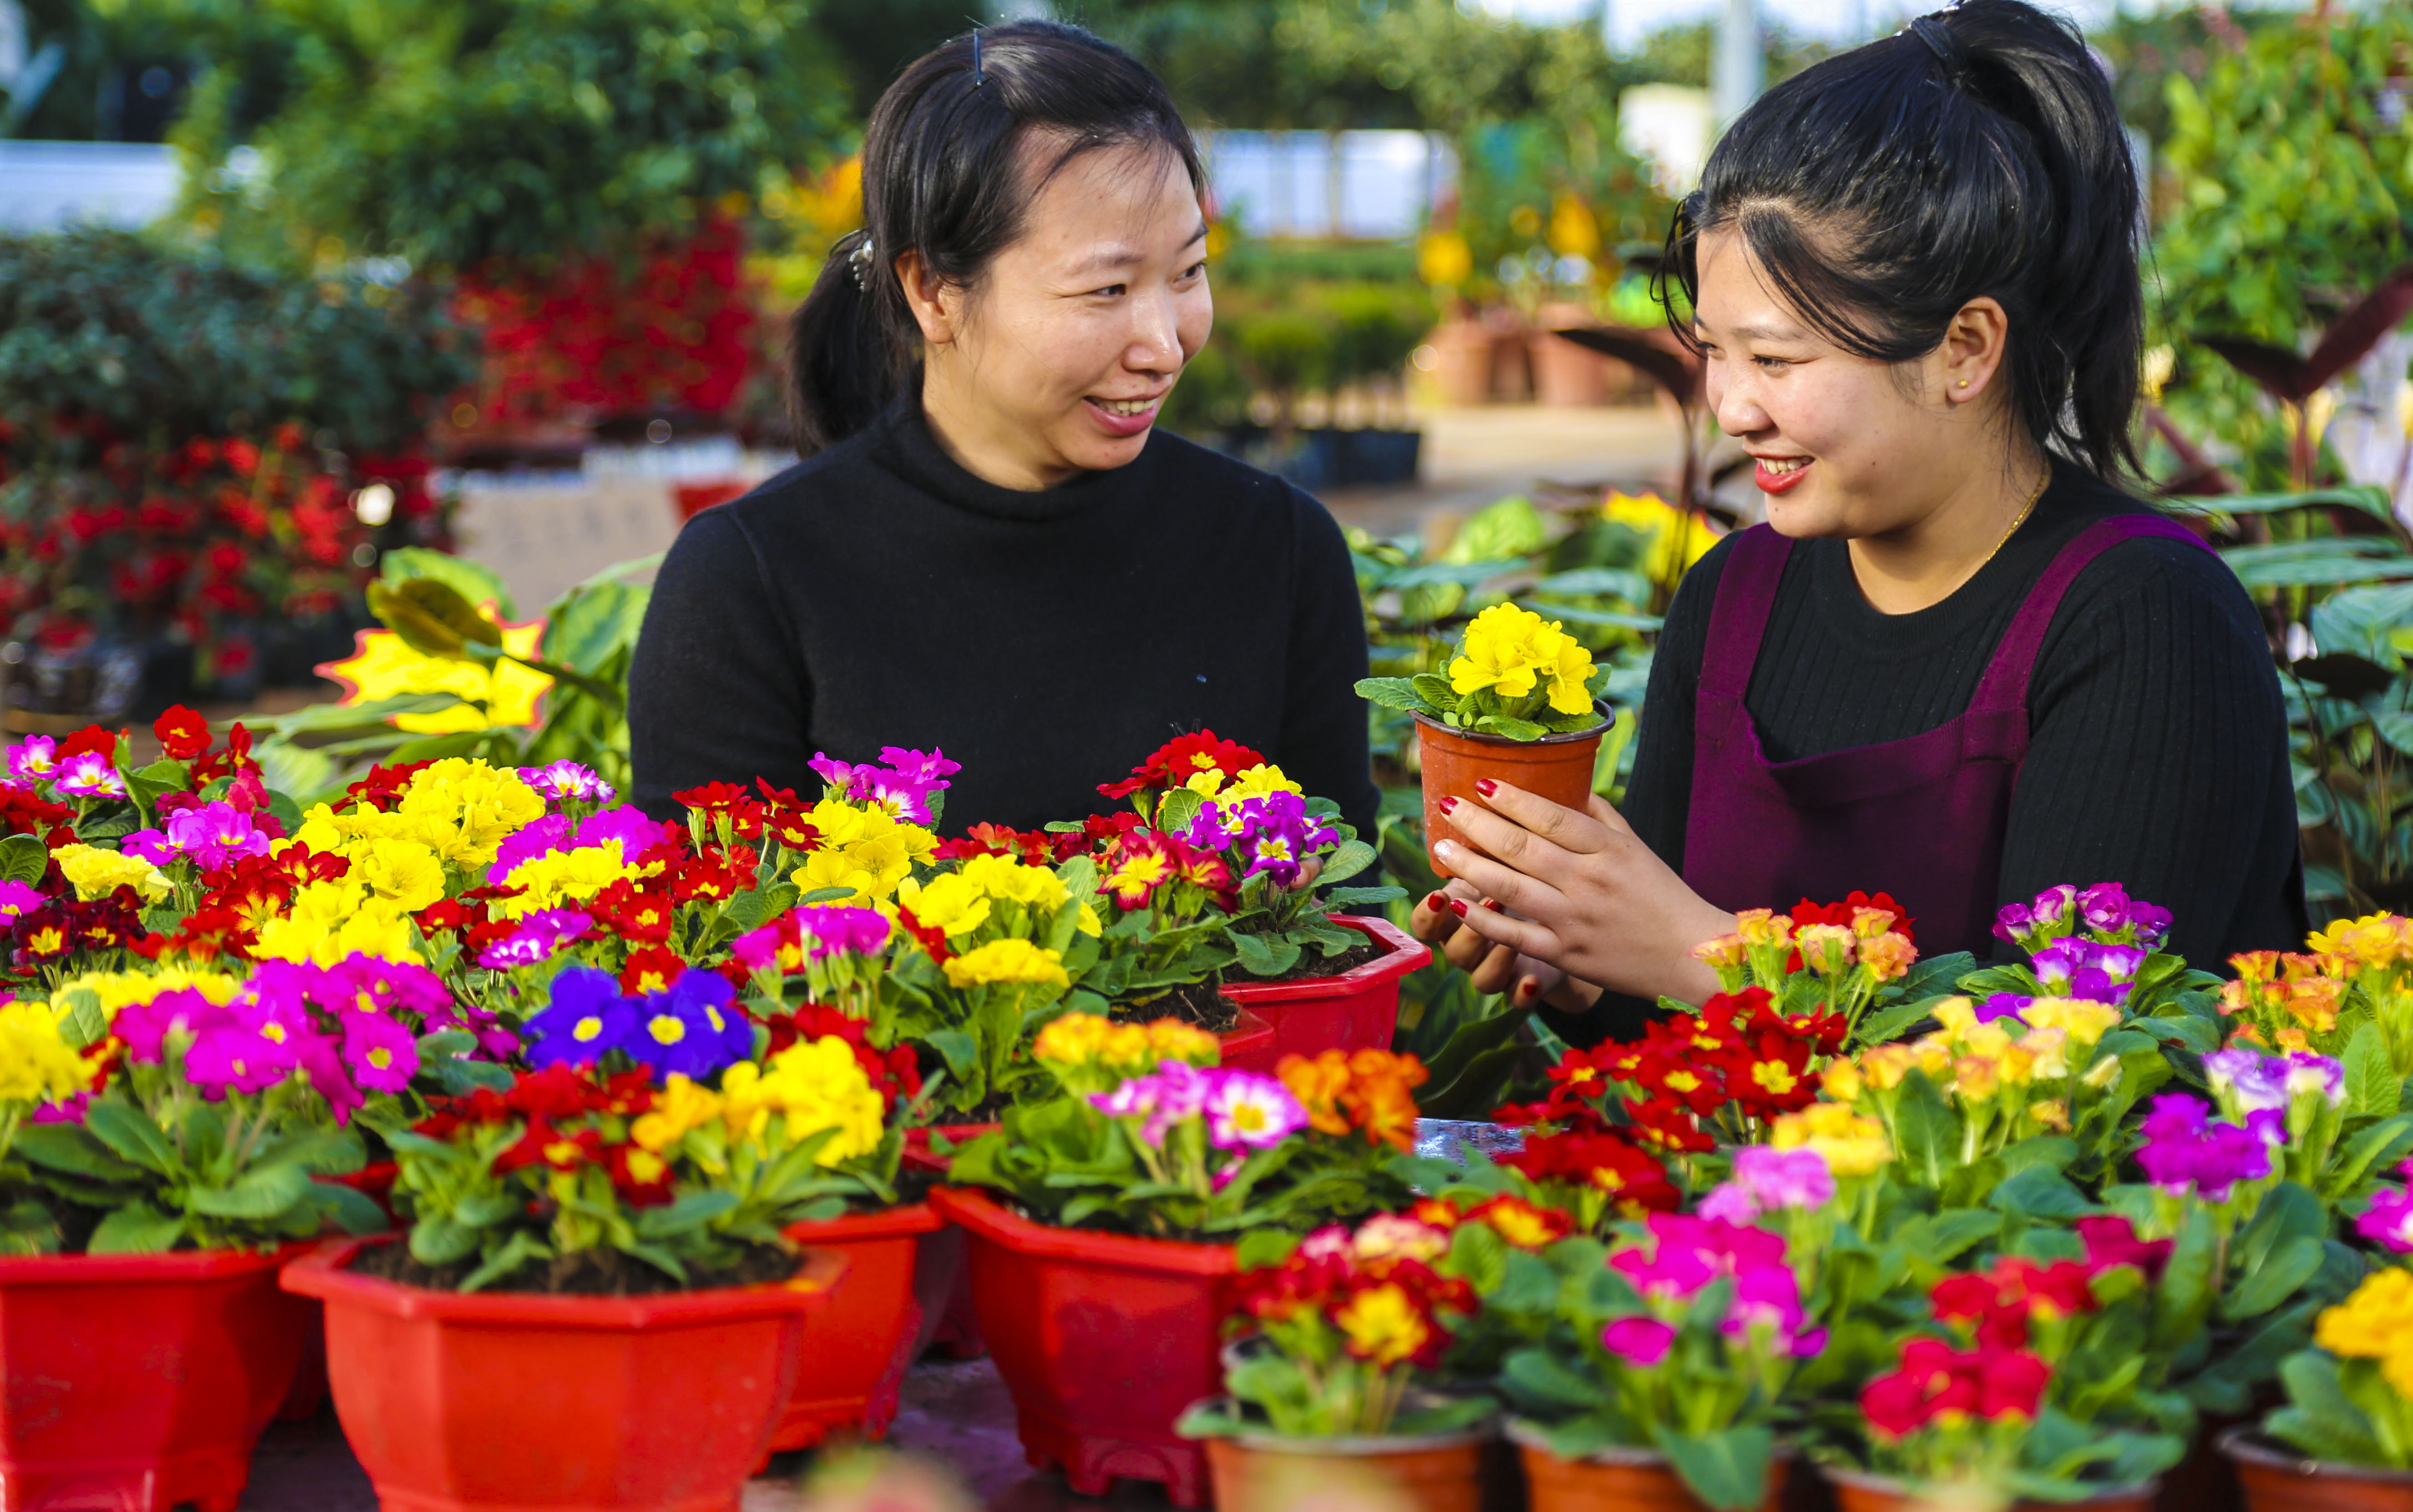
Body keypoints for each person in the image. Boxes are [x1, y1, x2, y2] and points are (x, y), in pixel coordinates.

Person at [1413, 0, 2304, 1046]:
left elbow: (2082, 1069)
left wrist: (1705, 958)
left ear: (1966, 349)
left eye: (1778, 360)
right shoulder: (1734, 594)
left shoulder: (2147, 618)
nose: (1731, 407)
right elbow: (1659, 1026)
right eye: (1715, 351)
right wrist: (1573, 956)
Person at [628, 22, 1377, 840]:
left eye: (1188, 272)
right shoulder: (749, 581)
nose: (1165, 346)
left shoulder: (1276, 546)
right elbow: (709, 942)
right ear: (935, 291)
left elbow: (1340, 912)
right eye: (1107, 289)